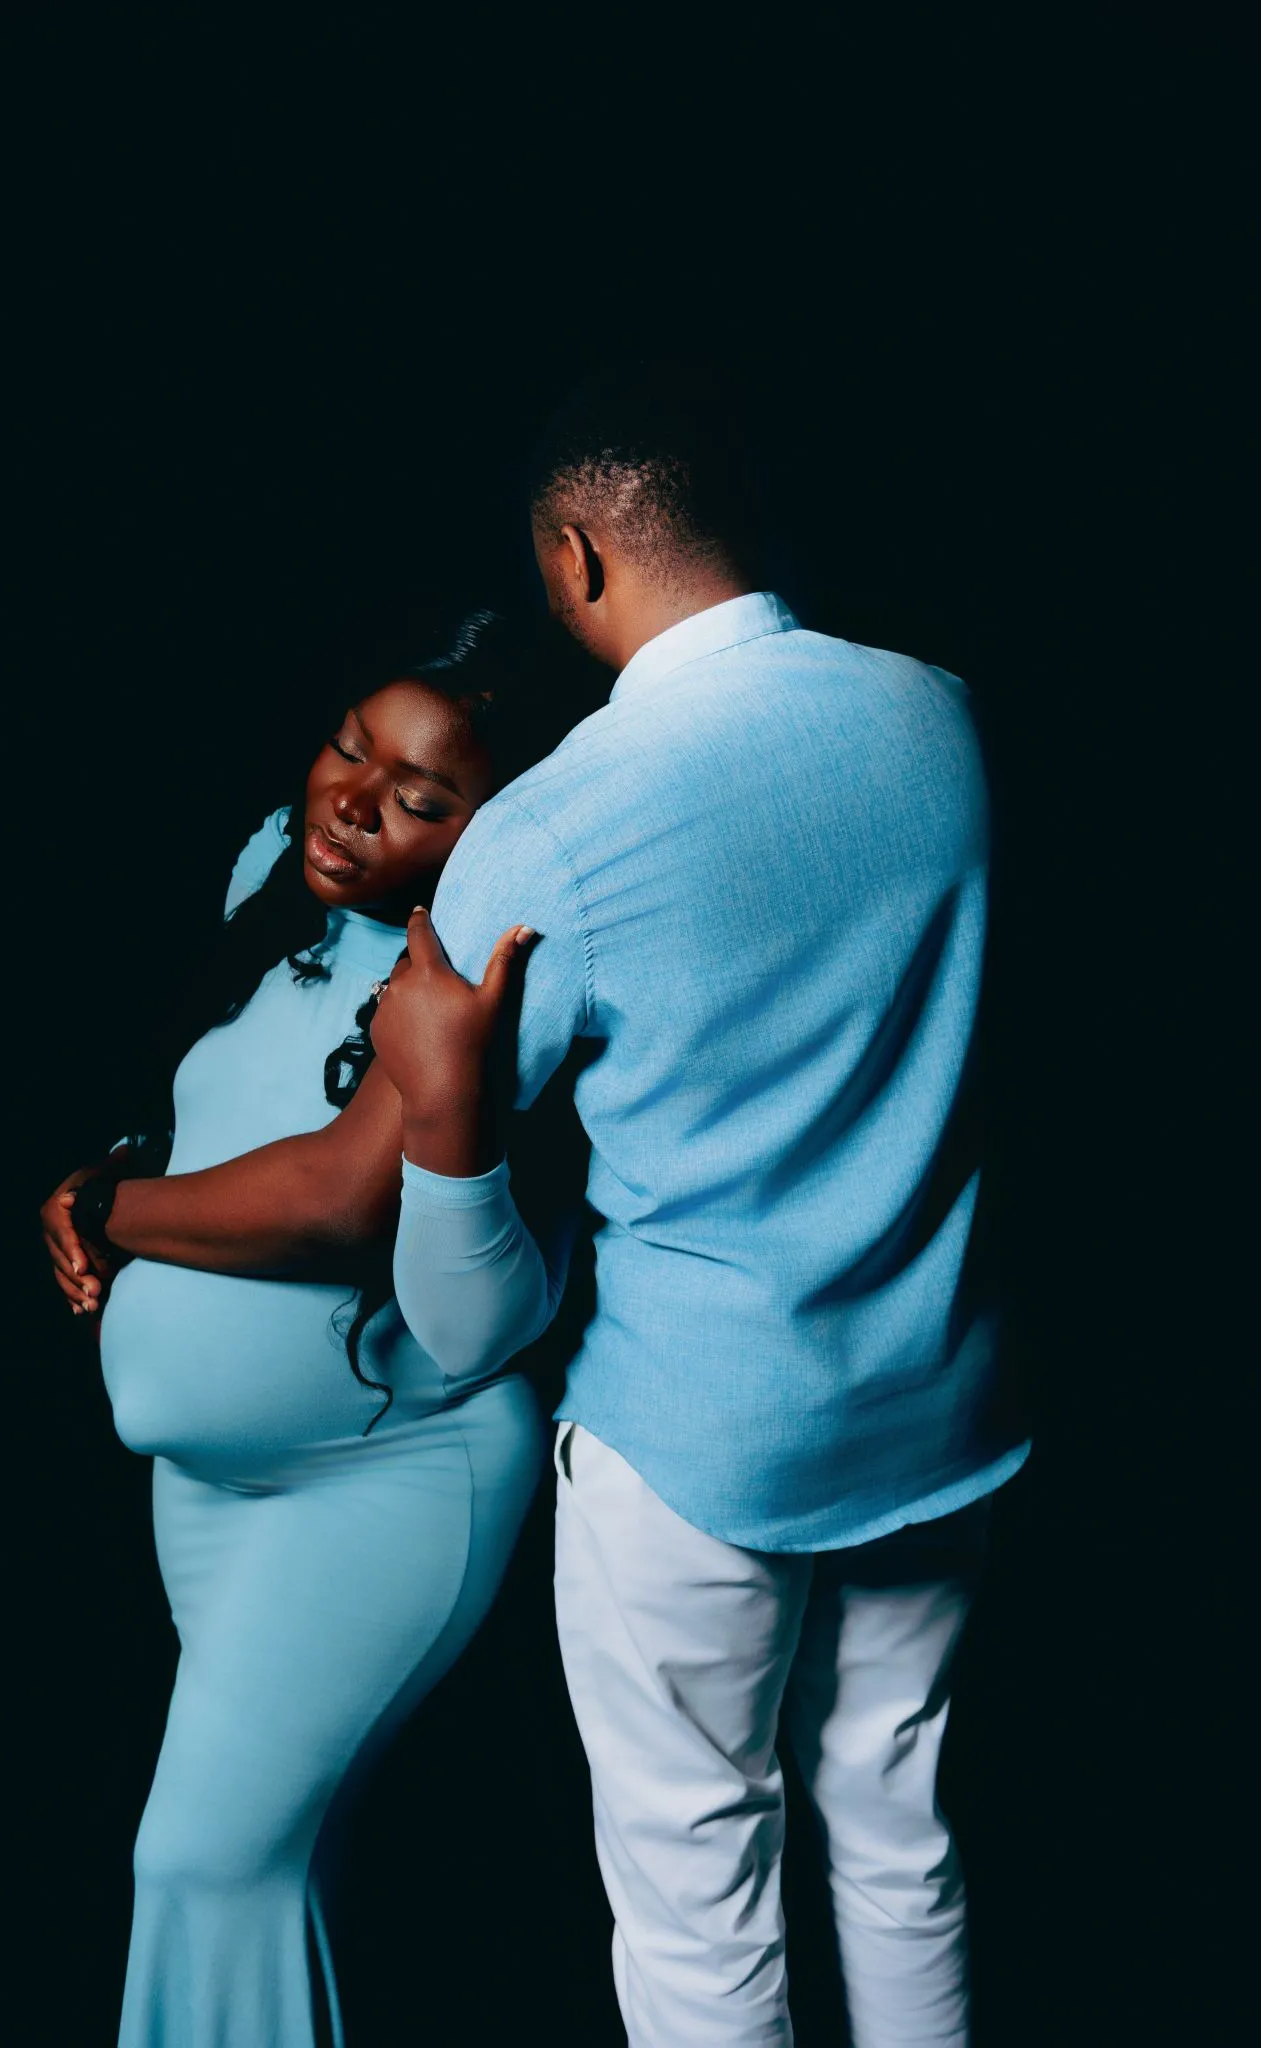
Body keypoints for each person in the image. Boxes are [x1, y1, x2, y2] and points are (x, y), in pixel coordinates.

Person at [371, 365, 1032, 2047]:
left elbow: (444, 1258)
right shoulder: (943, 712)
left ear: (580, 557)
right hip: (939, 1402)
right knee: (905, 1851)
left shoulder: (552, 823)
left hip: (699, 1445)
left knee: (696, 1903)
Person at [39, 610, 587, 2048]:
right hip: (208, 1492)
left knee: (202, 1860)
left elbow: (342, 1203)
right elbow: (226, 1108)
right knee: (276, 1866)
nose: (348, 803)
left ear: (494, 832)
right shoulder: (265, 882)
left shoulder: (472, 973)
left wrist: (110, 1209)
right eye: (347, 749)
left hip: (382, 1479)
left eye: (416, 799)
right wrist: (111, 1166)